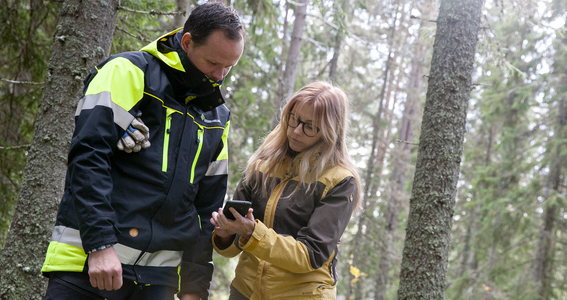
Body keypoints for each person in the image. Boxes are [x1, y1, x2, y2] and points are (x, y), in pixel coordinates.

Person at [40, 3, 245, 300]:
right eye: (214, 63)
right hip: (88, 268)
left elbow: (206, 210)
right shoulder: (127, 71)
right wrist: (99, 245)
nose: (221, 75)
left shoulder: (218, 117)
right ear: (187, 42)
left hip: (158, 283)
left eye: (230, 66)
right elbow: (88, 159)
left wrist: (194, 288)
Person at [210, 81, 362, 300]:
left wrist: (252, 232)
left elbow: (310, 255)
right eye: (294, 119)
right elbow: (233, 246)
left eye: (309, 126)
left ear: (329, 131)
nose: (296, 131)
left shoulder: (340, 180)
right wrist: (226, 234)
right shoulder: (262, 162)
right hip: (245, 291)